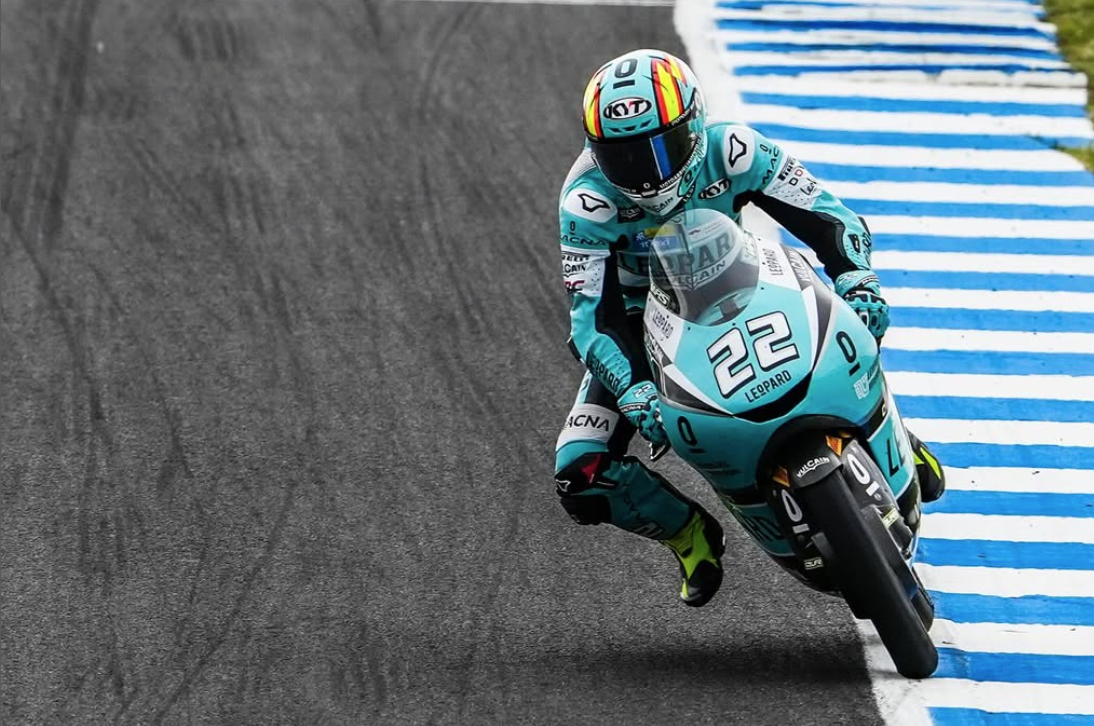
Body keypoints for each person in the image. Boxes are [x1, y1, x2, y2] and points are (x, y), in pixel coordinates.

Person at [555, 49, 946, 608]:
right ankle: (689, 533)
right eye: (624, 157)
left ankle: (892, 433)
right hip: (644, 326)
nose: (645, 173)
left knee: (850, 332)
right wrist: (634, 388)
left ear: (694, 124)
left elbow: (830, 217)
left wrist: (857, 276)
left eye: (661, 148)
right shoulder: (587, 202)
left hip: (746, 281)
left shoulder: (734, 148)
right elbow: (593, 320)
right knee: (579, 471)